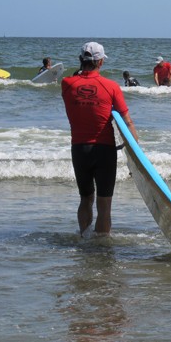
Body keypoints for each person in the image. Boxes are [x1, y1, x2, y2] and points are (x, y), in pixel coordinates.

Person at [61, 42, 138, 237]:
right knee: (104, 204)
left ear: (81, 60)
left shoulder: (67, 84)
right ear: (101, 61)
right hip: (104, 151)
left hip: (79, 149)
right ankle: (101, 246)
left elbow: (76, 79)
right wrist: (135, 154)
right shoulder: (111, 86)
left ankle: (84, 238)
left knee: (85, 198)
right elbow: (127, 122)